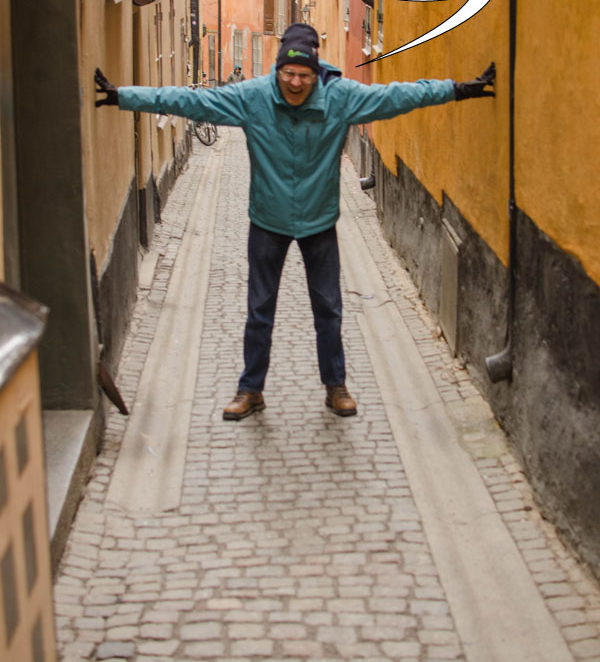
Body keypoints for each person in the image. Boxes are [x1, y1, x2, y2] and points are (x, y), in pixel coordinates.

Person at [95, 22, 495, 421]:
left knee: (329, 309)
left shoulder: (339, 98)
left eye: (304, 75)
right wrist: (121, 97)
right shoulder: (253, 97)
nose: (296, 82)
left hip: (318, 223)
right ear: (278, 69)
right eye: (288, 73)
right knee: (259, 311)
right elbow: (191, 102)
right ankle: (251, 390)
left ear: (316, 73)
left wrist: (459, 90)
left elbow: (398, 97)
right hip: (267, 221)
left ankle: (336, 386)